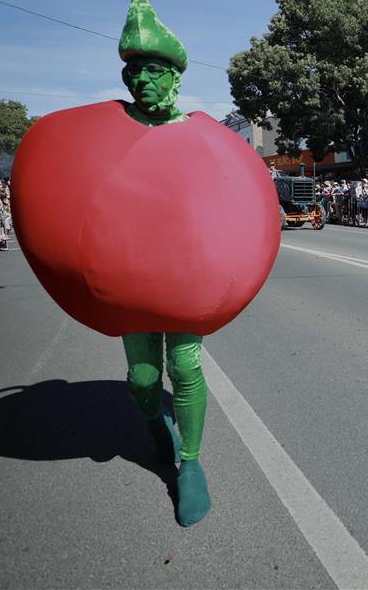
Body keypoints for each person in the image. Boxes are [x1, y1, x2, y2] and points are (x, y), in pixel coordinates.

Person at [119, 53, 211, 527]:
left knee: (184, 363)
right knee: (142, 377)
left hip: (186, 269)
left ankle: (191, 463)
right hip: (128, 268)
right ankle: (156, 420)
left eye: (153, 71)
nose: (142, 80)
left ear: (174, 78)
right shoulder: (112, 127)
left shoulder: (197, 132)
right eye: (135, 72)